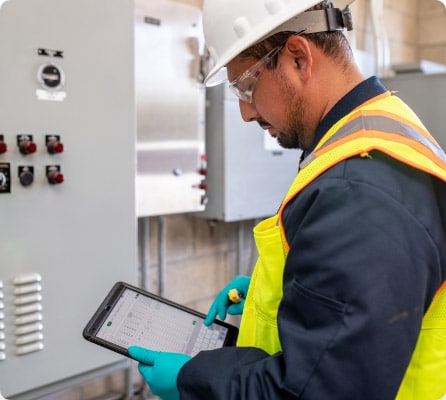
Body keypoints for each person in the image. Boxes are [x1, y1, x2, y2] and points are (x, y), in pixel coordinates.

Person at [128, 0, 446, 398]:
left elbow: (320, 390)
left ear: (297, 57)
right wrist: (283, 286)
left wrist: (191, 380)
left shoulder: (356, 190)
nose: (244, 111)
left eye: (245, 85)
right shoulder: (380, 126)